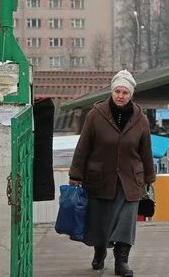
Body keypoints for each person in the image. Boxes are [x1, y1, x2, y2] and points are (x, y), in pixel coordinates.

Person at [69, 70, 156, 276]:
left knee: (126, 223)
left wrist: (150, 178)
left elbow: (146, 150)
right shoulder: (96, 115)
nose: (120, 95)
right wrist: (75, 174)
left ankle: (121, 263)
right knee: (101, 222)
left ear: (131, 94)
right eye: (117, 91)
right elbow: (83, 147)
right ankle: (100, 253)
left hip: (130, 180)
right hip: (100, 178)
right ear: (112, 91)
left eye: (125, 92)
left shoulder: (140, 119)